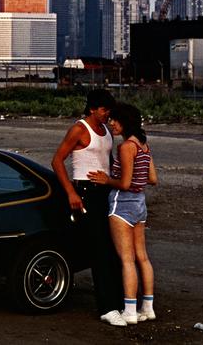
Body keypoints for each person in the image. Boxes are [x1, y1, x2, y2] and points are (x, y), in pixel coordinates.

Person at [51, 88, 125, 326]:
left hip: (105, 191)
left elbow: (108, 160)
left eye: (109, 110)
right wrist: (71, 192)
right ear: (92, 108)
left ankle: (120, 302)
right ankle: (107, 307)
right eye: (104, 110)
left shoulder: (106, 131)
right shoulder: (79, 129)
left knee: (113, 248)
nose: (107, 114)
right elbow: (57, 160)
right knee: (100, 250)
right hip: (85, 191)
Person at [88, 102, 158, 325]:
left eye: (115, 120)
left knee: (126, 260)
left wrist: (106, 179)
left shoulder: (126, 147)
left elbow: (125, 183)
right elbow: (152, 178)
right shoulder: (144, 145)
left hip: (122, 206)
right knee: (142, 258)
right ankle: (147, 307)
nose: (111, 123)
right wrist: (136, 178)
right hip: (140, 204)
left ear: (125, 121)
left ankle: (129, 310)